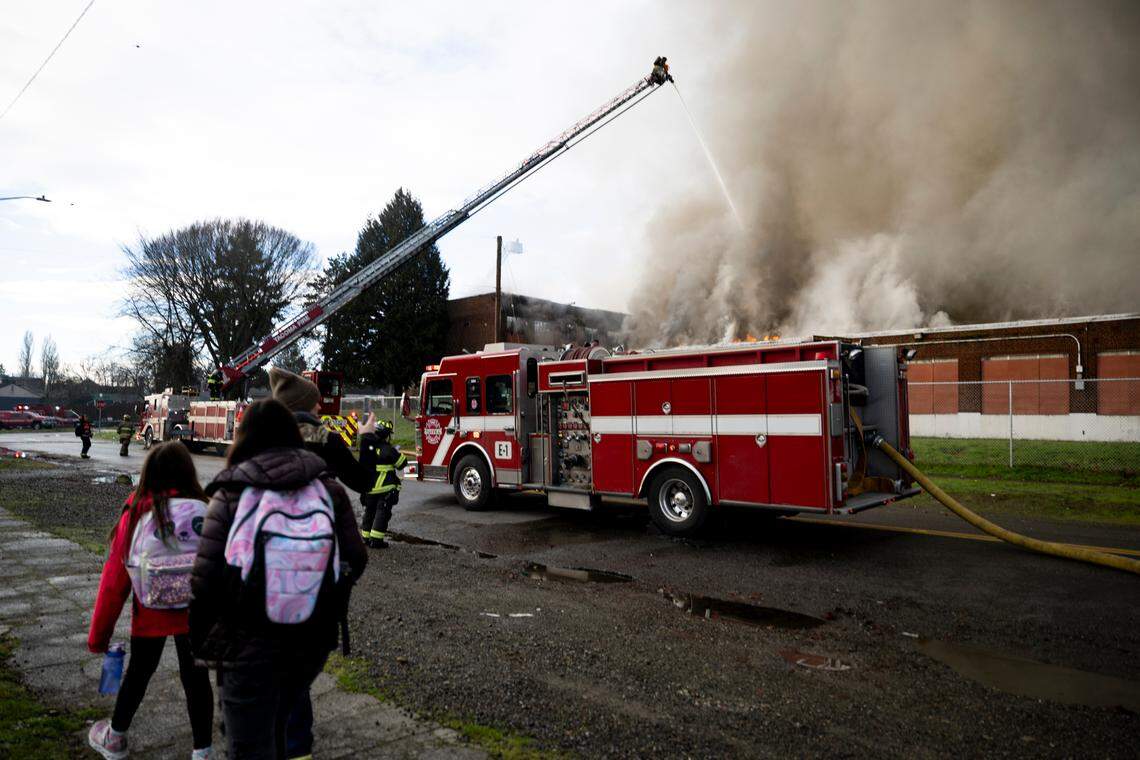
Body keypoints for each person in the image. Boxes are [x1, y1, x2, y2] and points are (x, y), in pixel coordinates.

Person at [190, 399, 368, 760]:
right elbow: (356, 559)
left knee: (248, 745)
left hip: (246, 647)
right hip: (310, 643)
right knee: (281, 719)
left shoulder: (231, 494)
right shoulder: (328, 490)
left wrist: (203, 644)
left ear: (243, 439)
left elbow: (204, 584)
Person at [265, 366, 376, 757]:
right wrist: (364, 440)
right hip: (314, 576)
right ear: (305, 405)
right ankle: (297, 748)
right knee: (297, 673)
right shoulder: (325, 438)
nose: (320, 403)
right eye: (315, 398)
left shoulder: (255, 442)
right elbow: (363, 482)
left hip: (262, 577)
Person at [87, 441, 215, 759]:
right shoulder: (205, 507)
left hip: (150, 613)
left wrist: (99, 637)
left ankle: (115, 738)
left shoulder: (137, 509)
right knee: (197, 680)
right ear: (189, 472)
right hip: (195, 615)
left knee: (138, 674)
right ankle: (203, 752)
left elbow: (114, 585)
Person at [359, 420, 407, 548]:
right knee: (382, 513)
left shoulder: (368, 448)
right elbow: (402, 463)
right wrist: (397, 452)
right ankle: (376, 540)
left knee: (369, 512)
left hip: (369, 489)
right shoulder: (388, 449)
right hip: (385, 489)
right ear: (386, 434)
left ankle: (365, 538)